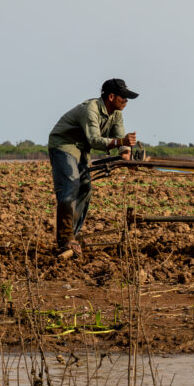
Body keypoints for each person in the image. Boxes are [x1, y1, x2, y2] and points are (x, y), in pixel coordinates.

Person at [47, 78, 138, 257]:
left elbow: (120, 136)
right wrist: (121, 142)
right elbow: (95, 140)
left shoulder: (116, 113)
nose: (126, 101)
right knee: (70, 187)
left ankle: (74, 234)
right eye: (123, 97)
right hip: (64, 145)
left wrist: (126, 152)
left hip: (81, 148)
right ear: (111, 97)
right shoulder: (91, 109)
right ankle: (65, 240)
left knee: (85, 189)